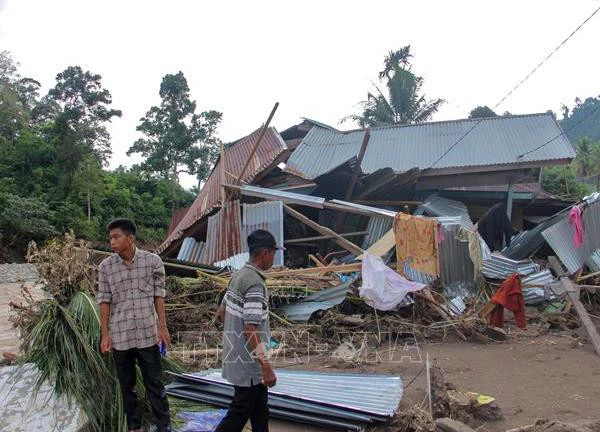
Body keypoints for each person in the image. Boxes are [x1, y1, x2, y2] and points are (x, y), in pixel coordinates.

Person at [97, 218, 172, 432]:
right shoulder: (106, 268)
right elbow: (104, 301)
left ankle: (164, 425)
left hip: (147, 334)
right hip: (120, 336)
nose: (111, 242)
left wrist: (162, 327)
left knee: (155, 384)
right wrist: (105, 335)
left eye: (116, 237)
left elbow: (159, 296)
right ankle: (134, 426)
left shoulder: (153, 262)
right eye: (110, 237)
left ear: (130, 238)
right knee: (127, 386)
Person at [214, 229, 283, 432]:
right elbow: (250, 329)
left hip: (239, 356)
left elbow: (222, 312)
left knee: (260, 408)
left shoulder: (239, 275)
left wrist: (232, 340)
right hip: (249, 363)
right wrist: (266, 366)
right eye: (273, 252)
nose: (274, 257)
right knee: (240, 411)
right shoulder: (254, 284)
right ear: (265, 253)